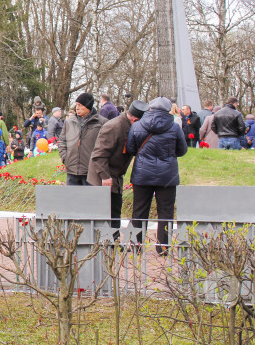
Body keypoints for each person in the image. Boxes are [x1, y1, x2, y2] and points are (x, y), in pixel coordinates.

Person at [126, 97, 188, 255]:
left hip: (142, 173)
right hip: (167, 174)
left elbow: (131, 148)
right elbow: (182, 150)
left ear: (150, 109)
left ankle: (136, 245)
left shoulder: (138, 125)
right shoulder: (174, 127)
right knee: (165, 211)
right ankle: (163, 246)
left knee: (139, 210)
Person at [87, 100, 148, 237]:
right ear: (135, 119)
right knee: (107, 215)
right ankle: (107, 245)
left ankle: (112, 242)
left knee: (115, 213)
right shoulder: (114, 127)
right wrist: (105, 177)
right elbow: (98, 155)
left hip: (115, 175)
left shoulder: (128, 125)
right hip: (103, 176)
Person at [59, 93, 106, 185]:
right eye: (76, 105)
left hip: (91, 172)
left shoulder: (102, 123)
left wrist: (97, 163)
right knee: (72, 199)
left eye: (80, 105)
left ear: (88, 106)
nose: (77, 108)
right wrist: (65, 158)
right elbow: (62, 141)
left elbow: (106, 146)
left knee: (89, 199)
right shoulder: (69, 122)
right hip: (72, 171)